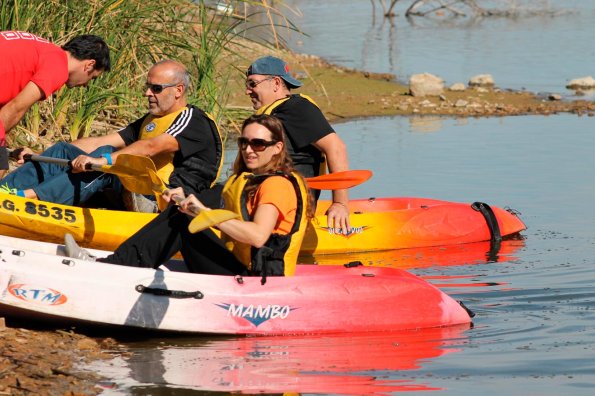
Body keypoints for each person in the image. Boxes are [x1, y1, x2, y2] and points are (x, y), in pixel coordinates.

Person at [66, 114, 311, 278]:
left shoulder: (276, 184)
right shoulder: (249, 179)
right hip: (241, 266)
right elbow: (210, 202)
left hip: (259, 279)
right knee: (180, 212)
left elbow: (258, 237)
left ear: (277, 148)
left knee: (186, 220)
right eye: (244, 142)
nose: (248, 150)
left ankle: (116, 269)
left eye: (258, 144)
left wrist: (204, 214)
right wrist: (185, 200)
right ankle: (120, 263)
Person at [1, 60, 223, 211]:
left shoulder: (193, 120)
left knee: (111, 160)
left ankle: (28, 199)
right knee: (64, 149)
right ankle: (5, 191)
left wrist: (103, 160)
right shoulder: (149, 121)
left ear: (178, 90)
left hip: (161, 201)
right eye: (147, 87)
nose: (147, 93)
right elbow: (100, 141)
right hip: (134, 189)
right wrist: (43, 155)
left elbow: (152, 146)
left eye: (156, 88)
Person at [244, 55, 351, 233]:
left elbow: (336, 148)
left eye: (252, 84)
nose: (247, 91)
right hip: (267, 197)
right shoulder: (272, 115)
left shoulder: (296, 108)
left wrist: (340, 204)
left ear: (276, 83)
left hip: (289, 206)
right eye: (247, 85)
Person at [0, 31, 111, 178]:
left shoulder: (44, 49)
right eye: (92, 77)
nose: (85, 85)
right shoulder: (58, 67)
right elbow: (16, 108)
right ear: (89, 65)